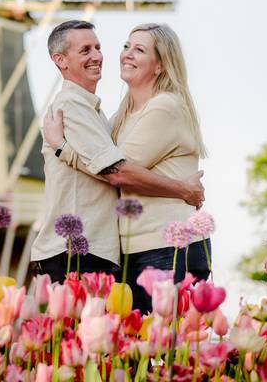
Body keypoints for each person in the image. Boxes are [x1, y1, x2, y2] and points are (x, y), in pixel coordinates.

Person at [44, 22, 210, 313]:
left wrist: (63, 149)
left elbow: (117, 171)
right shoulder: (121, 114)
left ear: (160, 65)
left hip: (166, 244)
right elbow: (110, 166)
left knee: (161, 348)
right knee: (143, 345)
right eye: (126, 46)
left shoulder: (164, 107)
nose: (127, 55)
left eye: (140, 50)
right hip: (138, 247)